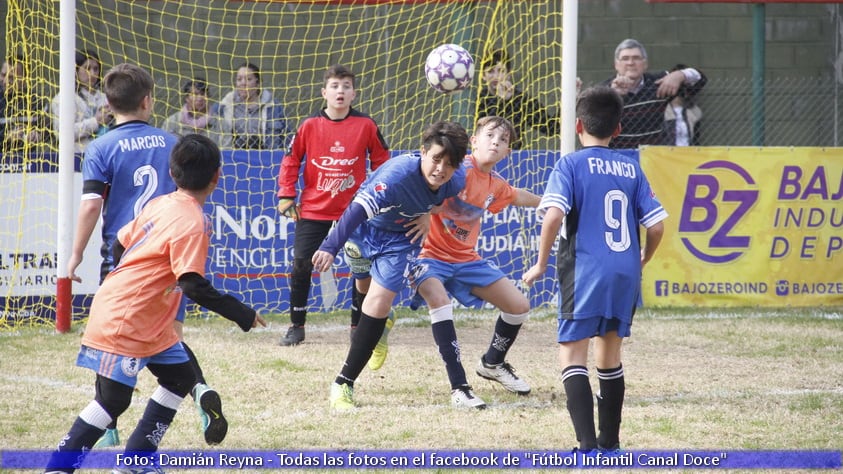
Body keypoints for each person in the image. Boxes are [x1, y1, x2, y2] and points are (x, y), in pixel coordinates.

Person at [44, 134, 266, 474]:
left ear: (173, 174)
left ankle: (136, 461)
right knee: (112, 402)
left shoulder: (161, 203)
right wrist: (242, 313)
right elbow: (192, 284)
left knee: (181, 379)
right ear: (217, 177)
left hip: (149, 321)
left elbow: (119, 244)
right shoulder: (193, 222)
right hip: (127, 320)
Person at [65, 63, 228, 448]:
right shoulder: (170, 141)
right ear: (149, 101)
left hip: (126, 256)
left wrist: (74, 254)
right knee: (168, 339)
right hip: (169, 253)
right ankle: (195, 391)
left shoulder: (101, 145)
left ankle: (108, 428)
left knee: (115, 347)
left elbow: (91, 205)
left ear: (108, 102)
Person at [522, 86, 667, 452]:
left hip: (584, 269)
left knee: (572, 355)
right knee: (610, 355)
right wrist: (644, 259)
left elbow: (553, 215)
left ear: (578, 125)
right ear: (618, 130)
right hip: (624, 272)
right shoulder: (632, 168)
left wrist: (540, 263)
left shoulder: (570, 165)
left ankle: (586, 445)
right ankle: (610, 442)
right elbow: (657, 226)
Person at [312, 120, 469, 410]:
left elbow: (445, 201)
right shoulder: (397, 175)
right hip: (362, 231)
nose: (440, 169)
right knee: (362, 285)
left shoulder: (456, 180)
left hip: (399, 239)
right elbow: (356, 211)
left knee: (379, 302)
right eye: (436, 159)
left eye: (449, 164)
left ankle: (343, 383)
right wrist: (329, 247)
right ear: (423, 152)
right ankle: (380, 328)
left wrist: (428, 214)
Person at [409, 116, 539, 409]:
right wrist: (427, 212)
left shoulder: (494, 183)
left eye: (503, 140)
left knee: (519, 306)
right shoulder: (457, 170)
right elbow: (427, 188)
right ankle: (459, 388)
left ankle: (493, 363)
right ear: (474, 141)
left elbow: (517, 196)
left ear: (508, 152)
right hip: (429, 256)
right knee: (440, 303)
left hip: (466, 260)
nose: (496, 141)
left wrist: (548, 202)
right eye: (490, 135)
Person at [276, 64, 390, 346]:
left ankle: (358, 326)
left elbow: (382, 163)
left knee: (360, 267)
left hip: (355, 210)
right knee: (301, 264)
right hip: (314, 209)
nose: (341, 91)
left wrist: (382, 197)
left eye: (347, 86)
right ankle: (297, 325)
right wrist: (286, 194)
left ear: (354, 94)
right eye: (335, 86)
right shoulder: (309, 126)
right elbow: (291, 160)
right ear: (324, 92)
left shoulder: (366, 125)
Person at [602, 38, 705, 149]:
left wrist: (680, 75)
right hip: (618, 156)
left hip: (650, 156)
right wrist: (611, 97)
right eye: (625, 59)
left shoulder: (659, 83)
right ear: (616, 65)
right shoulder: (604, 89)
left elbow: (701, 80)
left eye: (636, 58)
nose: (631, 63)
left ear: (645, 64)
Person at [476, 49, 559, 149]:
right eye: (490, 71)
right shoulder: (480, 99)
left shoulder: (520, 100)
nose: (496, 76)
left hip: (513, 157)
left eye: (501, 71)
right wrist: (503, 101)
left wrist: (570, 100)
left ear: (509, 73)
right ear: (483, 76)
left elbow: (551, 128)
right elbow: (487, 132)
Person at [50, 49, 112, 154]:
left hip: (104, 156)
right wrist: (96, 122)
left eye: (96, 69)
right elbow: (62, 134)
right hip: (75, 159)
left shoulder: (105, 98)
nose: (92, 73)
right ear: (76, 71)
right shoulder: (64, 98)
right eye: (87, 68)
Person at [218, 62, 290, 150]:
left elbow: (287, 135)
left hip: (268, 157)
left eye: (248, 79)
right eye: (239, 79)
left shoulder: (273, 106)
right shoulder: (225, 105)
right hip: (235, 158)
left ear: (258, 83)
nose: (243, 83)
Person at [0, 54, 50, 151]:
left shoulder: (37, 101)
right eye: (3, 75)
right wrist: (7, 136)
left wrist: (38, 134)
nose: (5, 81)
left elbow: (49, 131)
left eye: (11, 78)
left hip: (29, 160)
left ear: (25, 80)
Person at [162, 77, 220, 143]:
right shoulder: (172, 122)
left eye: (203, 94)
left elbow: (226, 150)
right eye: (195, 94)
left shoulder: (220, 123)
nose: (200, 98)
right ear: (186, 97)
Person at [663, 64, 705, 146]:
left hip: (687, 154)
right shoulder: (662, 109)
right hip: (665, 154)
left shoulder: (694, 111)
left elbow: (695, 139)